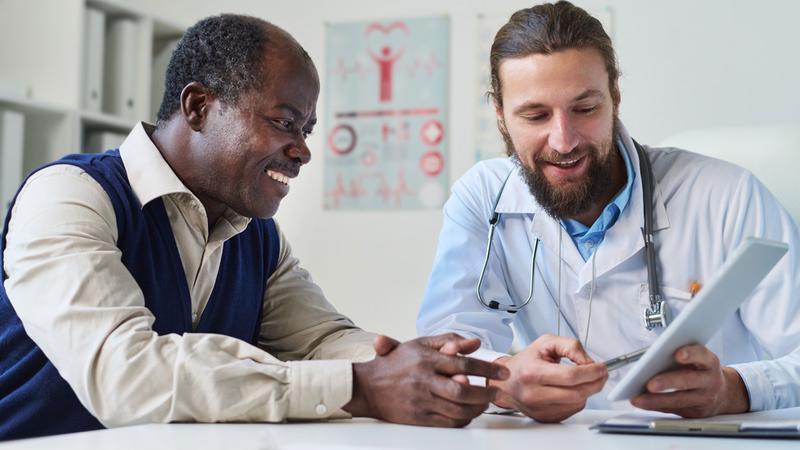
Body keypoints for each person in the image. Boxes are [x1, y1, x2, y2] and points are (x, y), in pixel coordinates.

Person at [0, 14, 509, 441]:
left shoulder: (254, 234)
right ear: (199, 107)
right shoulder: (70, 195)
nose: (304, 149)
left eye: (306, 130)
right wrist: (362, 386)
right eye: (285, 121)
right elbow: (125, 376)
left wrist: (468, 374)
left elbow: (322, 340)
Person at [417, 1, 800, 423]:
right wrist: (504, 382)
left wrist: (735, 390)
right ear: (501, 117)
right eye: (535, 114)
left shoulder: (727, 196)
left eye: (585, 109)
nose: (563, 141)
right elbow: (442, 354)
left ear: (615, 97)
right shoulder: (482, 198)